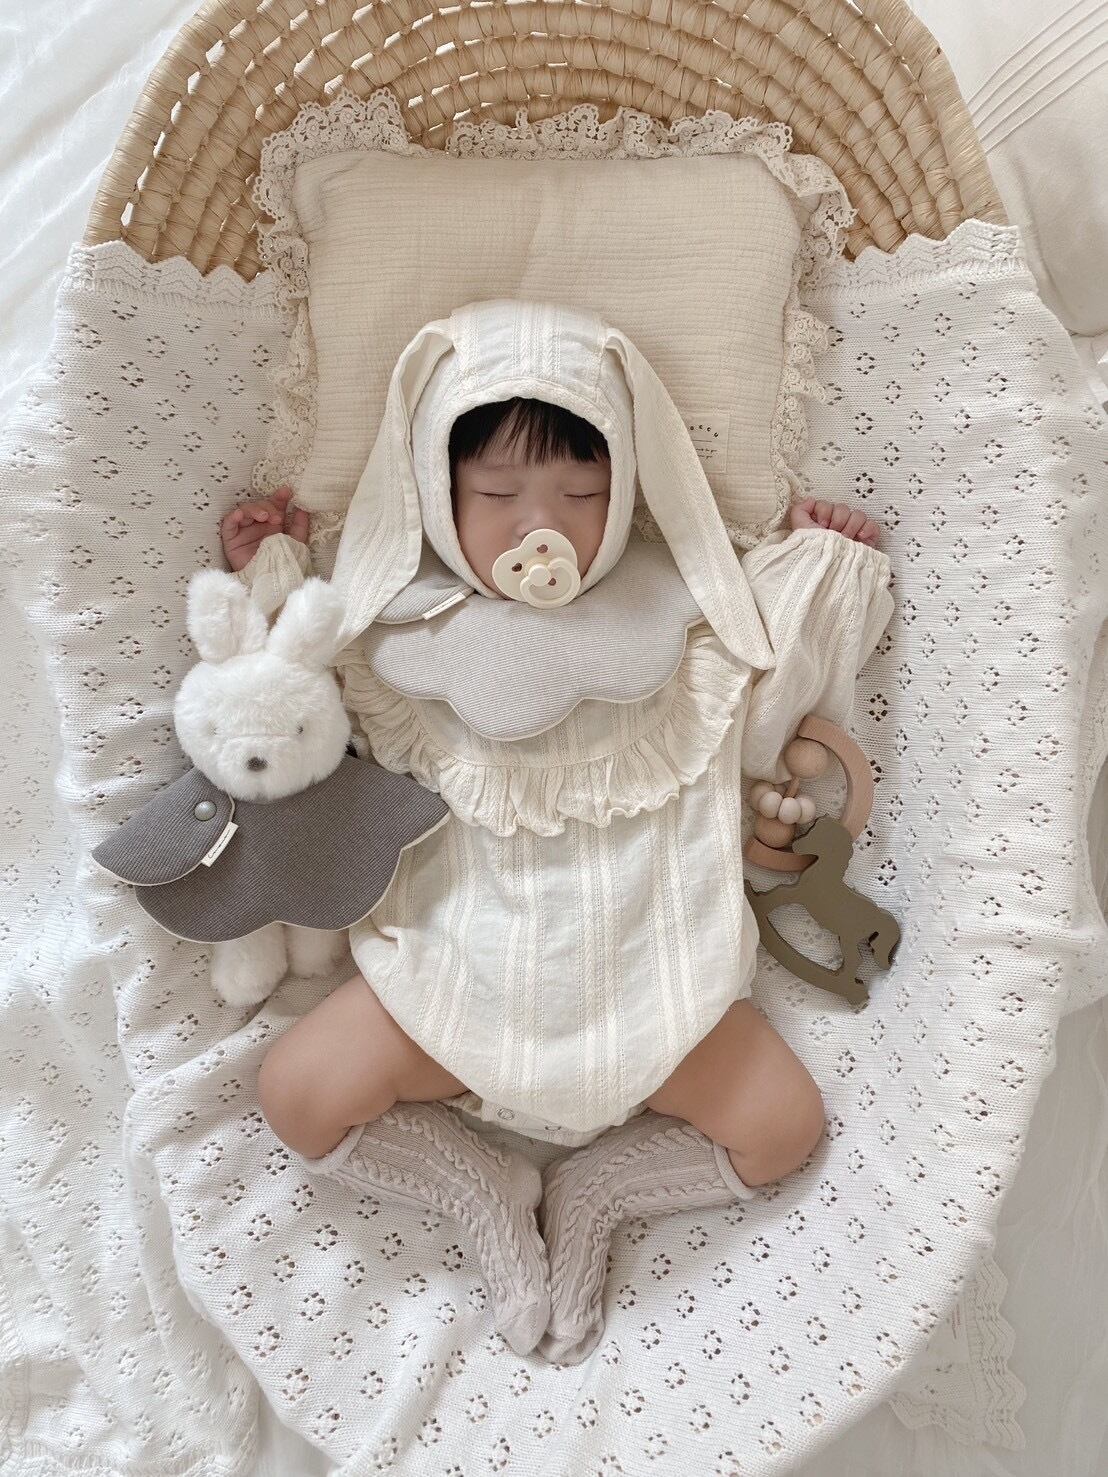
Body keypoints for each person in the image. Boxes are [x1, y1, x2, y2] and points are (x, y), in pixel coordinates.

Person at [223, 298, 892, 1362]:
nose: (543, 524)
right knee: (296, 1094)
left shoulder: (689, 618)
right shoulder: (393, 633)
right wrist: (271, 577)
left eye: (584, 494)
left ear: (625, 495)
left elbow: (772, 701)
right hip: (450, 986)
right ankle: (478, 1184)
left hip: (653, 990)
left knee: (784, 1128)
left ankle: (598, 1192)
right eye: (496, 495)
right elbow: (278, 717)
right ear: (438, 494)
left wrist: (821, 562)